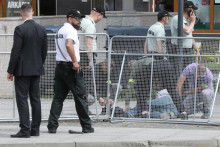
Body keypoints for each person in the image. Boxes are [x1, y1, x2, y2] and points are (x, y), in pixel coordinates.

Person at [47, 9, 94, 134]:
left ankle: (52, 126)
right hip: (71, 69)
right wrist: (75, 62)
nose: (79, 22)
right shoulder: (71, 31)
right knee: (80, 97)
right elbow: (69, 45)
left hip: (60, 68)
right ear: (70, 19)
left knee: (58, 98)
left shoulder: (60, 31)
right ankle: (87, 126)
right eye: (77, 19)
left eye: (80, 19)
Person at [7, 4, 47, 138]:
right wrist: (39, 64)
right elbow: (44, 51)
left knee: (22, 99)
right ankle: (35, 129)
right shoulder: (41, 29)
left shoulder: (20, 29)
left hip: (22, 70)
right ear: (33, 12)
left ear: (20, 14)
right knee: (36, 99)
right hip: (36, 69)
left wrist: (10, 70)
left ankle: (25, 129)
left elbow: (16, 51)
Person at [170, 1, 200, 76]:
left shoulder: (188, 21)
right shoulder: (177, 18)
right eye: (193, 10)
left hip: (188, 50)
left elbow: (190, 35)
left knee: (188, 71)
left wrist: (197, 50)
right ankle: (176, 87)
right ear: (189, 10)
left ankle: (185, 87)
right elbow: (186, 31)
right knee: (177, 72)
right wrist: (193, 21)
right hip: (178, 49)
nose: (194, 12)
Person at [80, 6, 106, 70]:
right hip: (85, 55)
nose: (101, 19)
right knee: (86, 77)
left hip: (80, 53)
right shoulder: (90, 24)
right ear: (99, 15)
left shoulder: (82, 20)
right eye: (102, 17)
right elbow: (89, 43)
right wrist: (90, 60)